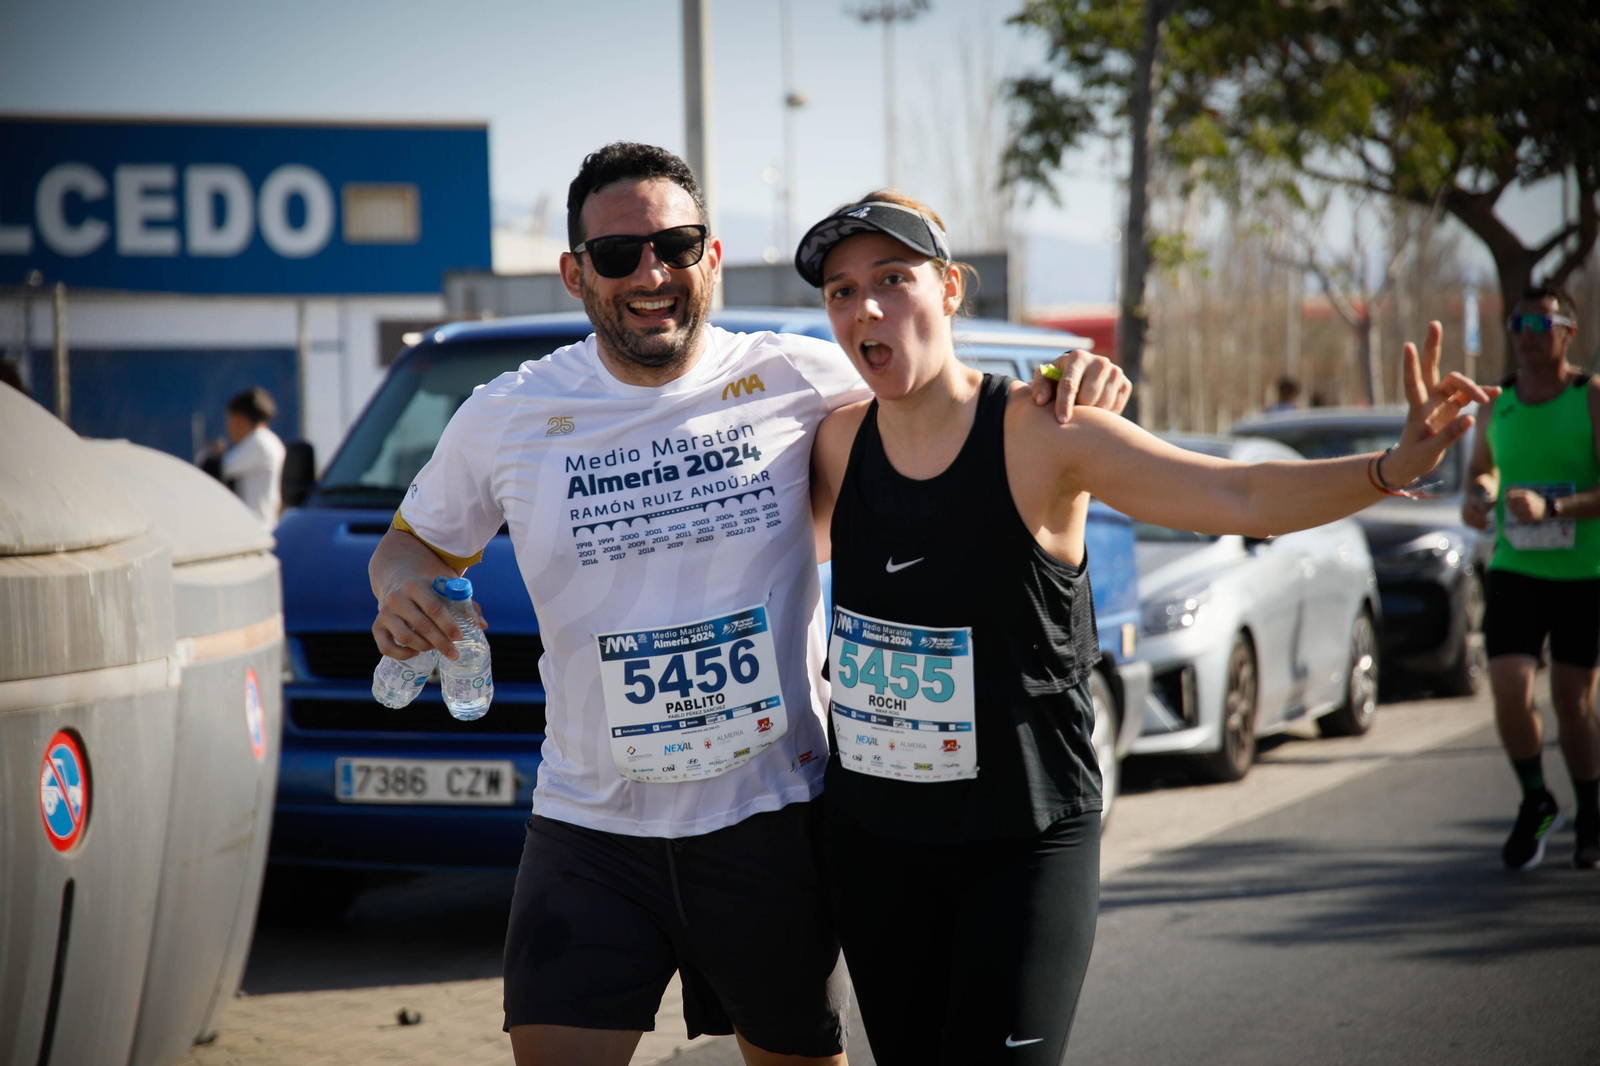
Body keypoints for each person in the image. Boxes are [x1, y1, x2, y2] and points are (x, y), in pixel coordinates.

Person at [365, 143, 1130, 1066]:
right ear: (575, 274)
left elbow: (946, 390)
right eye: (617, 256)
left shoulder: (804, 379)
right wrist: (403, 587)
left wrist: (1070, 381)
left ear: (712, 258)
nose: (651, 274)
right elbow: (409, 544)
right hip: (591, 828)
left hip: (772, 822)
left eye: (676, 247)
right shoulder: (508, 414)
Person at [799, 191, 1492, 1065]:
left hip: (1021, 837)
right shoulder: (833, 445)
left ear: (950, 289)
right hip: (879, 842)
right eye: (841, 290)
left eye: (892, 279)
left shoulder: (1045, 433)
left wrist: (1394, 467)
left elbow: (1236, 496)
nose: (866, 307)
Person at [1461, 284, 1600, 870]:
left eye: (1538, 325)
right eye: (1517, 323)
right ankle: (1537, 799)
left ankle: (1590, 810)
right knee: (1509, 688)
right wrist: (1477, 497)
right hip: (1516, 567)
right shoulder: (1497, 404)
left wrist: (1556, 510)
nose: (1524, 334)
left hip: (1582, 572)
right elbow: (1482, 472)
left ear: (1567, 332)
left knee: (1572, 700)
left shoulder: (1589, 398)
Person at [203, 386, 286, 529]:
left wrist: (210, 454)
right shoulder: (269, 441)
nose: (228, 427)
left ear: (241, 418)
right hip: (261, 526)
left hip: (256, 528)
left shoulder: (258, 442)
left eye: (230, 420)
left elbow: (214, 469)